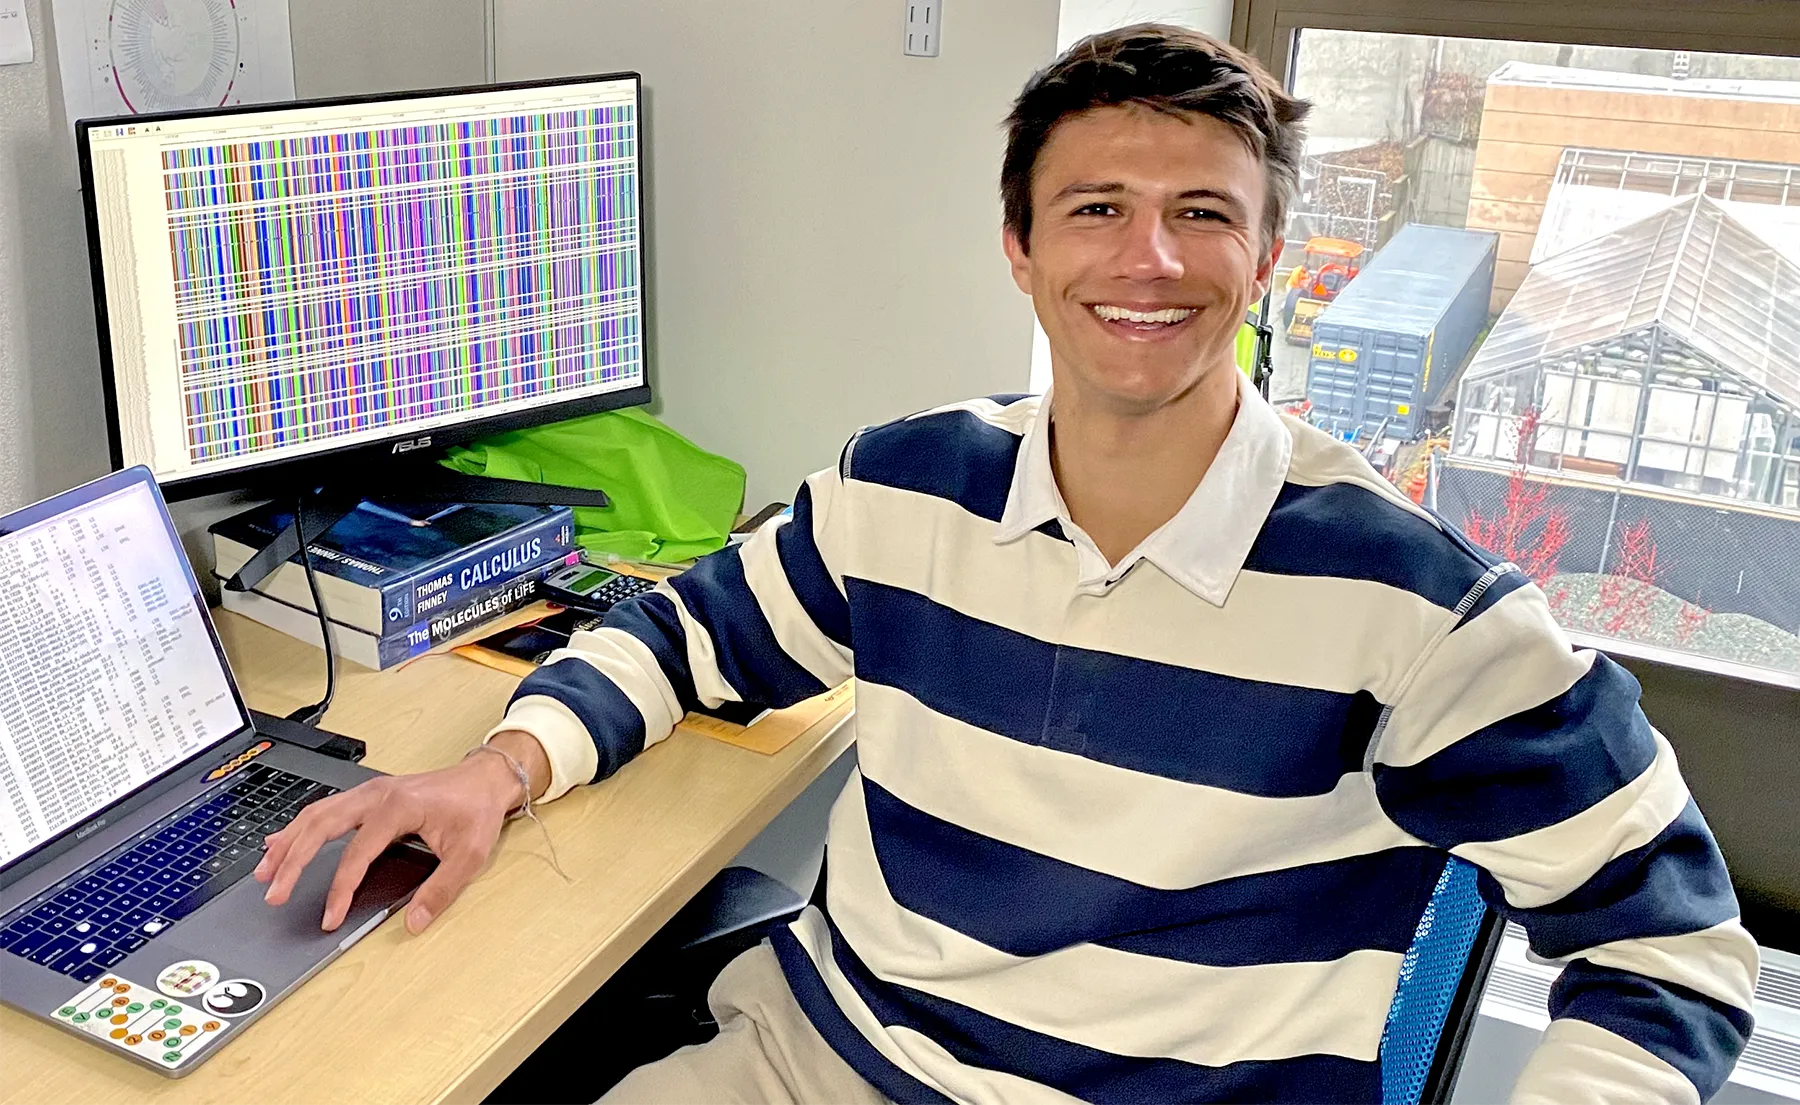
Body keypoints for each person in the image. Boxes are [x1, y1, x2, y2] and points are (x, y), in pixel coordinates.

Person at [254, 25, 1758, 1105]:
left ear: (1272, 261)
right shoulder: (906, 489)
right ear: (1020, 252)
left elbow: (1677, 956)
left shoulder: (1419, 610)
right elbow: (687, 637)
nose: (1146, 260)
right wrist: (500, 768)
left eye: (1201, 217)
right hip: (826, 1059)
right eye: (1096, 209)